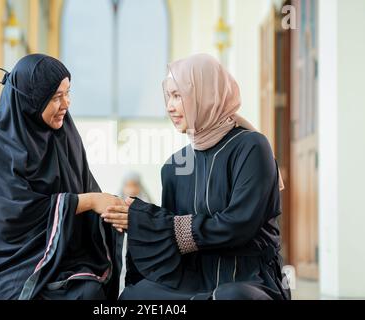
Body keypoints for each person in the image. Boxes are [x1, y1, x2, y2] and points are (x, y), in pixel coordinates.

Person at [104, 53, 291, 300]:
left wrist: (159, 223)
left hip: (248, 279)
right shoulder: (173, 166)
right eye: (168, 96)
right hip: (193, 280)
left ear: (206, 94)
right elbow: (171, 238)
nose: (170, 106)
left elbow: (238, 225)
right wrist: (139, 219)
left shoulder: (251, 147)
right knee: (134, 296)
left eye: (178, 95)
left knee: (231, 298)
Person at [0, 54, 126, 300]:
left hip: (59, 257)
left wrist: (115, 210)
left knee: (88, 291)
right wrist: (87, 202)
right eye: (57, 97)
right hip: (2, 265)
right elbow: (10, 216)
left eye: (68, 93)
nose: (66, 103)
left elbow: (87, 188)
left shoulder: (64, 135)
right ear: (32, 100)